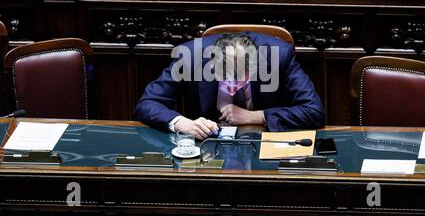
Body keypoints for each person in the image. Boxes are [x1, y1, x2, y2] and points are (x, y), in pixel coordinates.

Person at [135, 32, 325, 139]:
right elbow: (147, 103)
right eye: (226, 79)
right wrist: (182, 123)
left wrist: (256, 116)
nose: (233, 87)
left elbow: (314, 111)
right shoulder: (191, 57)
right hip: (204, 151)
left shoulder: (278, 57)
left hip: (262, 147)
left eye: (241, 79)